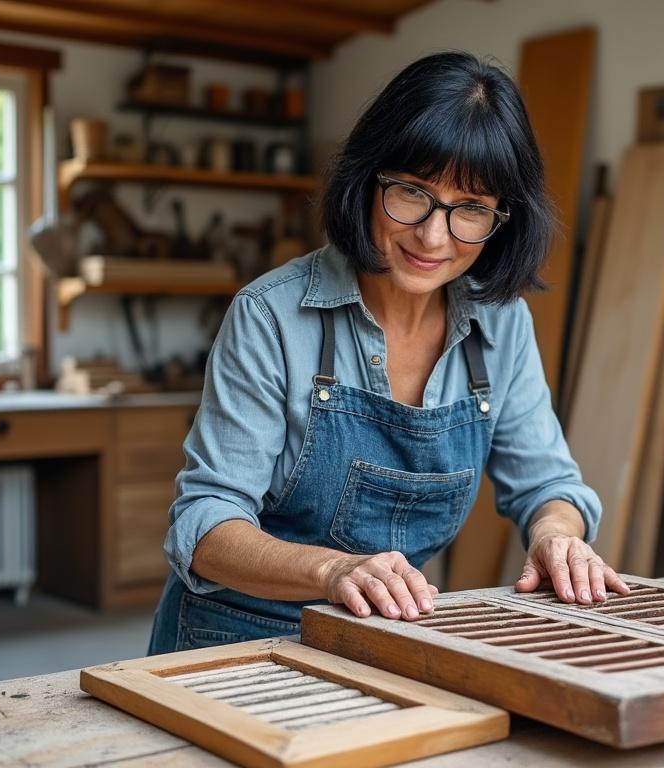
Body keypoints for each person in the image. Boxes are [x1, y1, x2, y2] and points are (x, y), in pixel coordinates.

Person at [148, 51, 628, 654]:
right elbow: (204, 526)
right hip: (232, 638)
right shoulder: (270, 315)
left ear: (503, 218)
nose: (433, 236)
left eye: (470, 209)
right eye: (412, 193)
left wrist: (558, 535)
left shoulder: (501, 325)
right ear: (367, 179)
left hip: (385, 637)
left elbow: (548, 483)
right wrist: (332, 571)